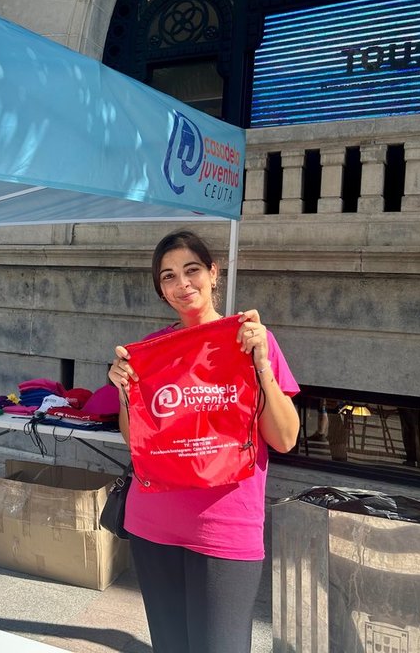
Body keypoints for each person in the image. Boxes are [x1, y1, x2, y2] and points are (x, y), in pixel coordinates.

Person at [108, 230, 299, 653]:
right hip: (152, 523)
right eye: (168, 276)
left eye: (192, 270)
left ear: (213, 273)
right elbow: (136, 440)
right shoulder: (152, 350)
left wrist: (261, 366)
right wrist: (125, 390)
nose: (182, 284)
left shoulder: (251, 339)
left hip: (225, 527)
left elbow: (285, 439)